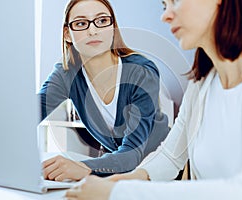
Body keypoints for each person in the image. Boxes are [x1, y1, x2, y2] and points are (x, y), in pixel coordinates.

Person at [64, 0, 242, 199]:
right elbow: (170, 157)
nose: (165, 15)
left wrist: (116, 194)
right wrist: (116, 183)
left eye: (176, 1)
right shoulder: (202, 86)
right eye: (165, 5)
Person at [38, 0, 169, 181]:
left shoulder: (141, 71)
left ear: (113, 27)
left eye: (101, 21)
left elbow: (132, 153)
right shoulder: (66, 75)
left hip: (161, 169)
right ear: (67, 34)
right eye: (81, 23)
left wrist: (83, 167)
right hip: (117, 172)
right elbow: (29, 115)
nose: (93, 31)